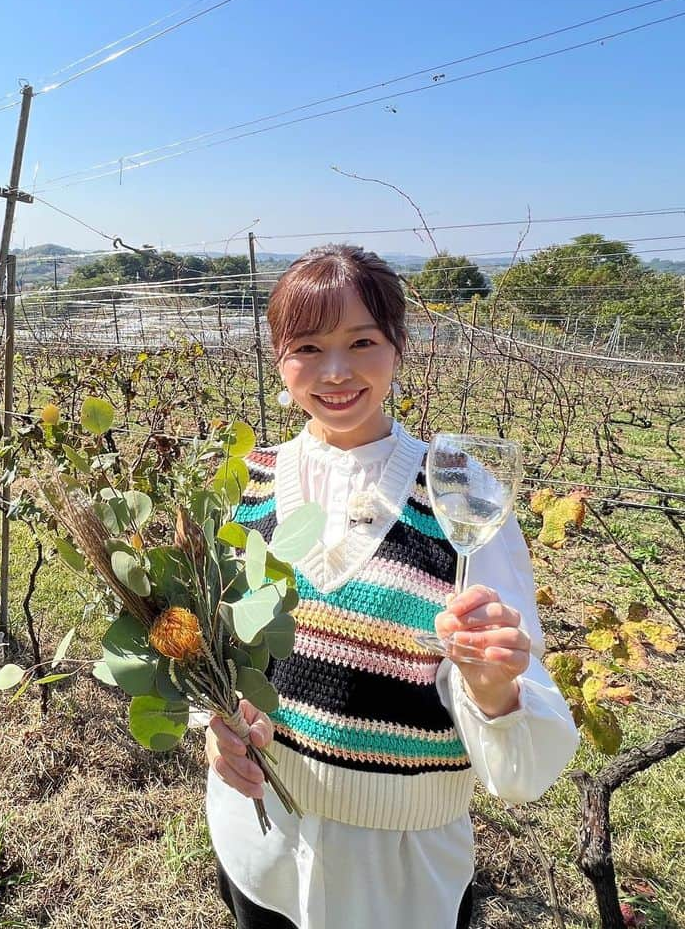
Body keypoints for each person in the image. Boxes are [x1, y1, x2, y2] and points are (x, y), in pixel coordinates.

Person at [204, 244, 578, 929]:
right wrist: (214, 728)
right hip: (258, 842)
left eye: (362, 341)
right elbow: (217, 646)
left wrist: (495, 690)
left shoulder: (460, 492)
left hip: (399, 875)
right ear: (277, 358)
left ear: (399, 347)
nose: (336, 371)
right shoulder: (251, 482)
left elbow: (523, 766)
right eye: (307, 348)